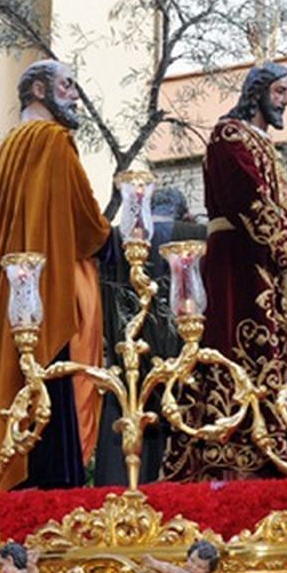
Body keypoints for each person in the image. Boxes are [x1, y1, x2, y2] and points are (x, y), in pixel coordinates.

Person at [0, 61, 110, 494]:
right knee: (45, 385)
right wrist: (118, 244)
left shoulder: (6, 150)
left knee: (3, 379)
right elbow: (86, 219)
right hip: (40, 298)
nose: (75, 95)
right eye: (67, 85)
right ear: (38, 89)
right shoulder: (54, 141)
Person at [164, 63, 287, 480]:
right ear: (258, 91)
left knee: (274, 348)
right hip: (237, 262)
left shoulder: (264, 143)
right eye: (280, 91)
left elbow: (272, 209)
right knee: (238, 347)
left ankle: (279, 443)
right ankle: (232, 451)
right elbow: (249, 201)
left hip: (265, 260)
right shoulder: (229, 135)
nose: (285, 100)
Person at [93, 186, 207, 485]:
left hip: (126, 360)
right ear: (183, 212)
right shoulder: (194, 234)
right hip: (185, 365)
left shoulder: (112, 239)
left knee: (125, 463)